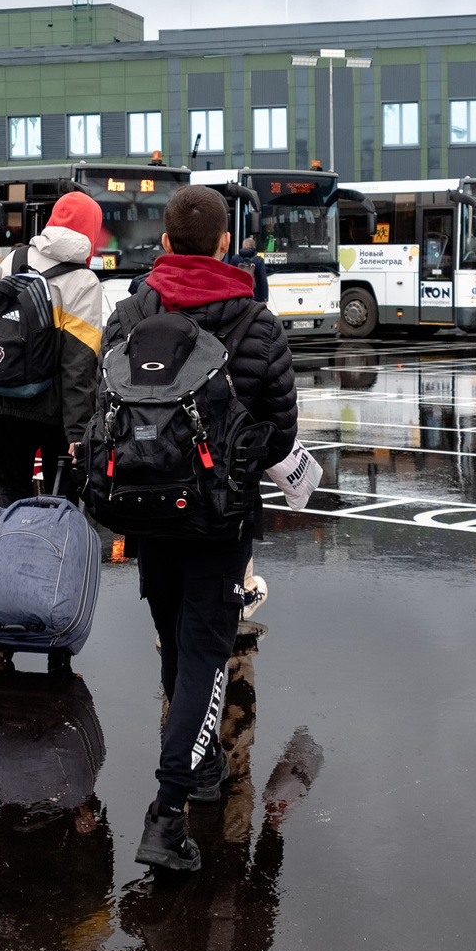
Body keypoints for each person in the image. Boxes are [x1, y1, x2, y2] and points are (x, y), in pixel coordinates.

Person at [101, 185, 298, 875]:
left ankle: (201, 757)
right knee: (205, 656)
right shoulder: (257, 323)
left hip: (145, 509)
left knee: (175, 641)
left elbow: (107, 404)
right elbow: (282, 430)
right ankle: (166, 812)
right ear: (224, 244)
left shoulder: (129, 312)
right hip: (219, 517)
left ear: (163, 244)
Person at [0, 191, 107, 501]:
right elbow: (80, 362)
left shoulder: (13, 260)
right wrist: (77, 432)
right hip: (55, 412)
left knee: (10, 496)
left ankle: (8, 548)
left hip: (7, 398)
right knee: (60, 502)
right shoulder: (83, 280)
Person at [237, 235, 272, 307]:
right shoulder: (259, 260)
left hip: (239, 296)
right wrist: (264, 298)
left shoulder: (235, 259)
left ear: (244, 246)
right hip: (256, 297)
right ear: (253, 247)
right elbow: (263, 280)